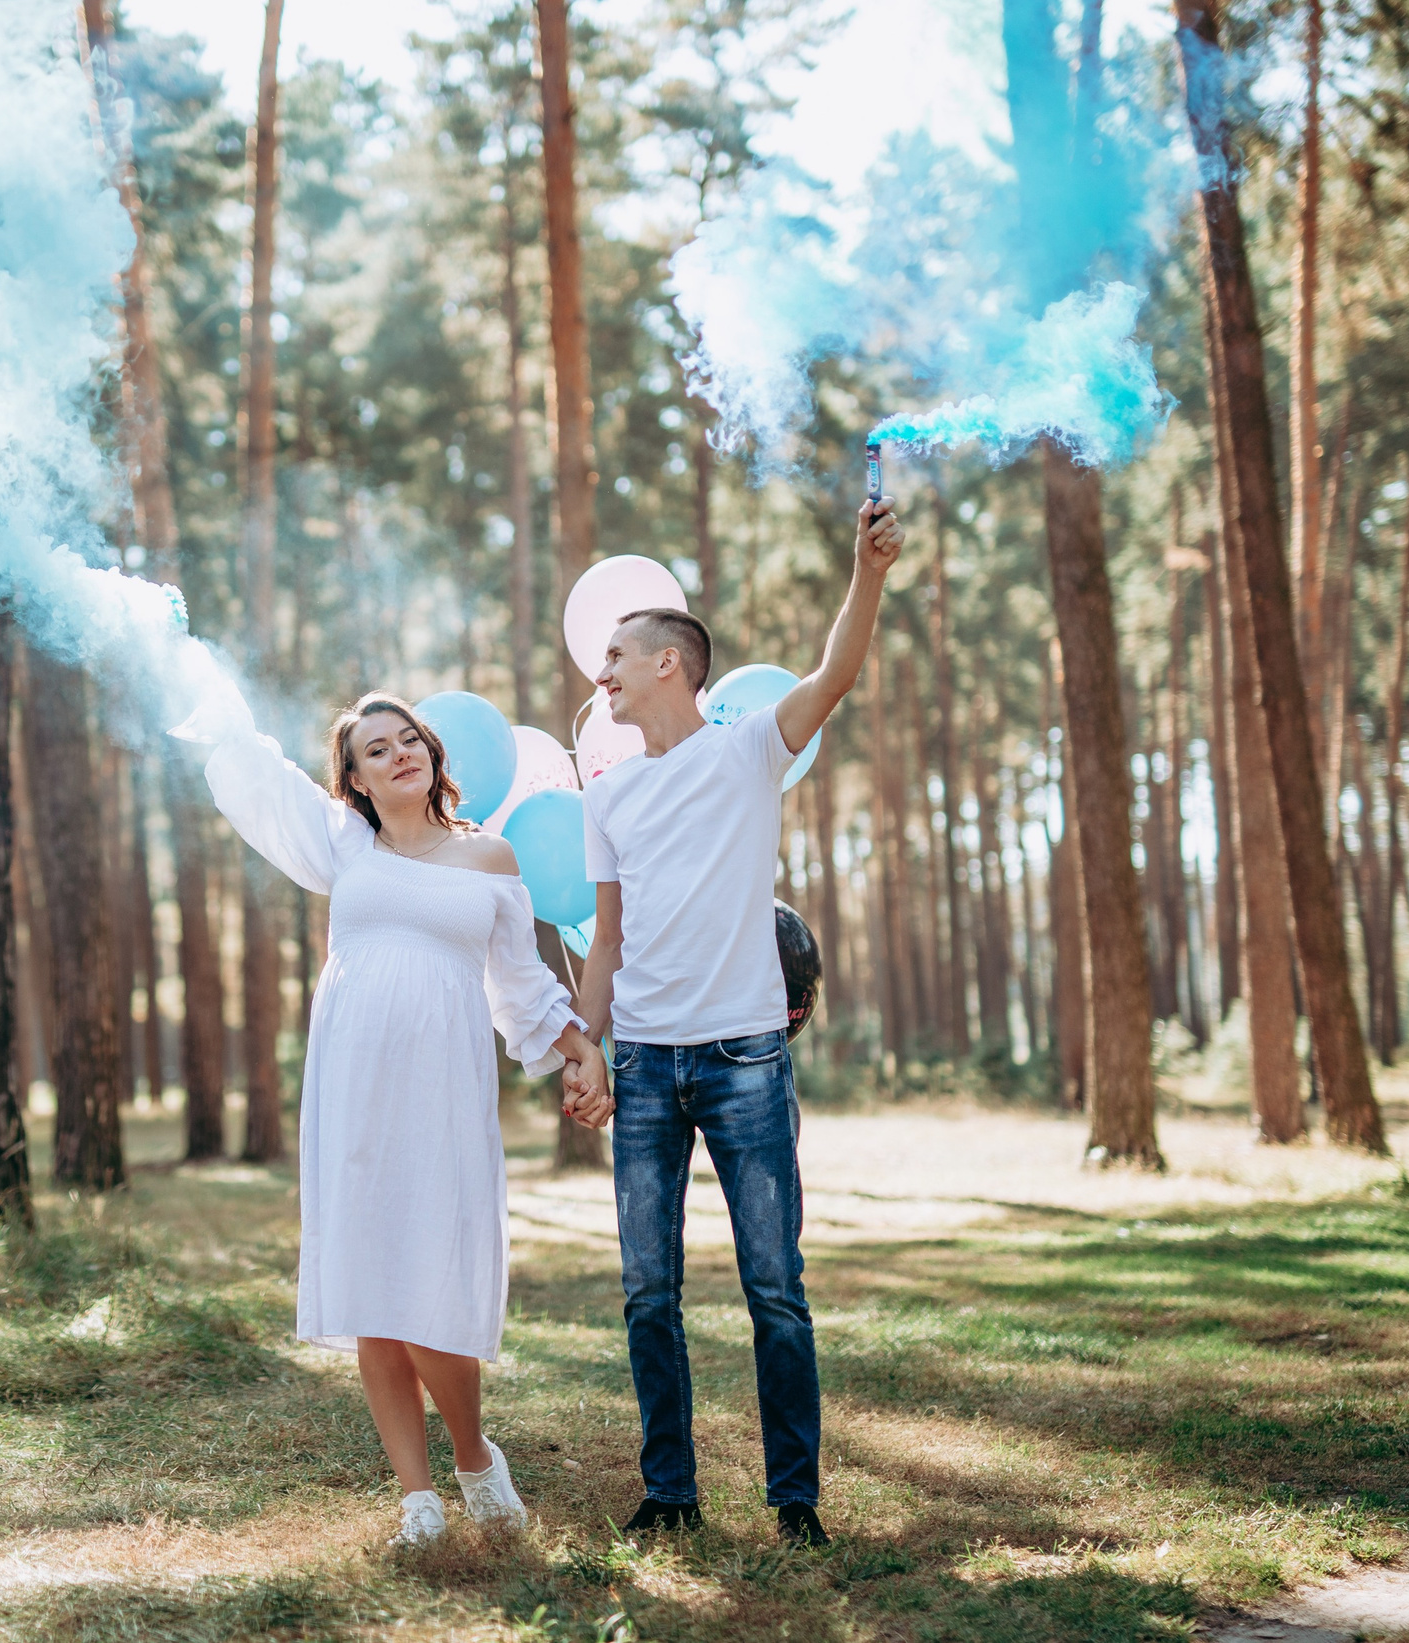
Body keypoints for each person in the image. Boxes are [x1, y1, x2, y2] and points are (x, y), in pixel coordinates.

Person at [188, 689, 611, 1548]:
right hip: (354, 1084)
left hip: (442, 1086)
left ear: (433, 753)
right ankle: (416, 1497)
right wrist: (217, 708)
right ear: (354, 779)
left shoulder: (489, 857)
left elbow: (520, 985)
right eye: (376, 749)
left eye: (409, 738)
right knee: (372, 1280)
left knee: (432, 1281)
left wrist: (580, 1050)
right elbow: (263, 783)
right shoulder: (345, 846)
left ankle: (472, 1454)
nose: (399, 753)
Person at [569, 498, 905, 1547]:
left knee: (775, 1291)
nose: (603, 673)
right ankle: (670, 1494)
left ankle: (793, 1505)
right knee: (646, 1296)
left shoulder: (748, 751)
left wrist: (868, 570)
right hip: (644, 1070)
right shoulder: (607, 798)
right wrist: (584, 1046)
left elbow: (833, 674)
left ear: (671, 662)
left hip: (745, 1060)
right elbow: (607, 945)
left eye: (617, 655)